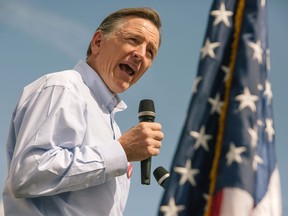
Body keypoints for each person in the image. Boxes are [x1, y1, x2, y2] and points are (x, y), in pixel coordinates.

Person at [3, 7, 164, 215]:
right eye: (133, 40)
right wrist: (121, 151)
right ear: (98, 42)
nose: (141, 55)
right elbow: (29, 173)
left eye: (150, 52)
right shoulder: (63, 87)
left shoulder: (112, 126)